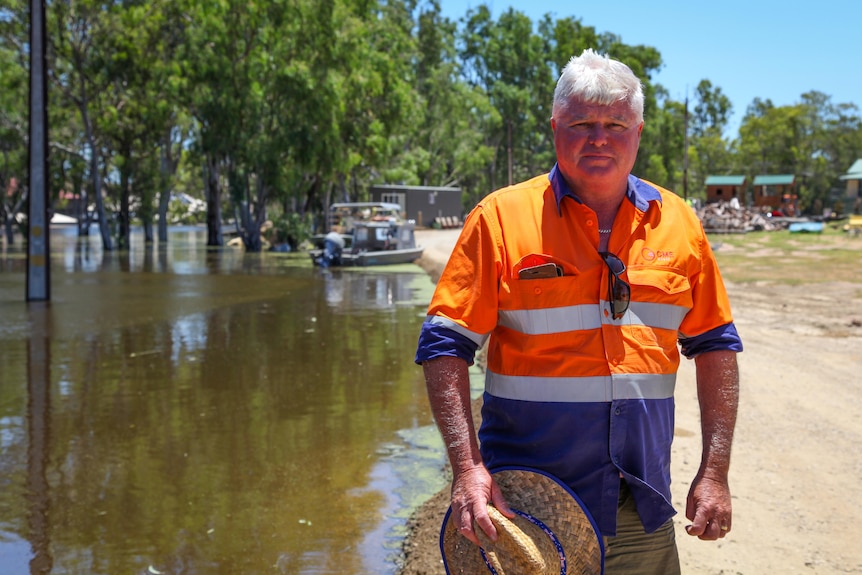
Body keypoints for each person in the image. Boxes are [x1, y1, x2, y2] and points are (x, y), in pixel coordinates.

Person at [415, 48, 742, 574]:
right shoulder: (500, 219)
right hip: (526, 511)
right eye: (582, 123)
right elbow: (444, 346)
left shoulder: (678, 222)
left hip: (640, 507)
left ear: (638, 131)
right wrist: (467, 469)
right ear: (554, 128)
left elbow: (716, 347)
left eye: (616, 123)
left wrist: (715, 471)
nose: (599, 137)